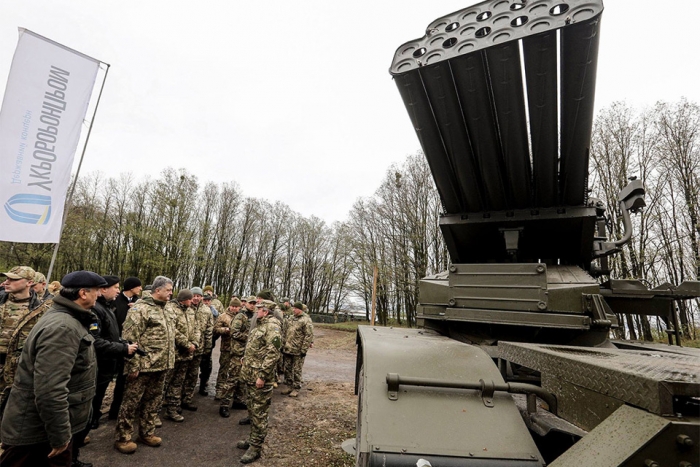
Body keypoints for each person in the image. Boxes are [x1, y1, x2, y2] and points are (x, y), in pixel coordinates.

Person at [0, 270, 105, 467]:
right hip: (39, 434)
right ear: (83, 293)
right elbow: (50, 390)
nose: (99, 295)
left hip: (43, 429)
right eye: (96, 291)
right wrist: (60, 436)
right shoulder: (62, 328)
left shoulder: (67, 319)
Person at [114, 276, 175, 454]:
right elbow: (129, 338)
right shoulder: (140, 309)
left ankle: (146, 433)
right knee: (131, 403)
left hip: (161, 364)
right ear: (157, 290)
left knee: (153, 402)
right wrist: (133, 365)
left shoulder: (167, 309)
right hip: (143, 366)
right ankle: (123, 438)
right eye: (168, 290)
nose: (171, 293)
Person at [88, 276, 138, 429]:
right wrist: (123, 349)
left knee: (100, 392)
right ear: (104, 289)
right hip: (98, 362)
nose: (118, 290)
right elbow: (94, 340)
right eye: (116, 287)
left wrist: (123, 343)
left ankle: (93, 419)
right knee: (94, 394)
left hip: (108, 361)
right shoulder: (96, 309)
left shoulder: (107, 307)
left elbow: (112, 335)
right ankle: (90, 422)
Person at [236, 300, 281, 464]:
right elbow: (257, 347)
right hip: (251, 375)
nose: (256, 310)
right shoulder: (260, 324)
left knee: (259, 413)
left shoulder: (272, 326)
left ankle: (256, 447)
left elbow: (273, 353)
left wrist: (262, 375)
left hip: (260, 378)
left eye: (259, 308)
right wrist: (246, 359)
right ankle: (252, 439)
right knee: (252, 410)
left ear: (266, 311)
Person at [0, 266, 52, 401]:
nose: (7, 282)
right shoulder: (1, 302)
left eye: (13, 279)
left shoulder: (40, 311)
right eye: (7, 278)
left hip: (19, 373)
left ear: (29, 282)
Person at [108, 276, 142, 420]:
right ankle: (112, 412)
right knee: (112, 380)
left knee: (127, 379)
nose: (140, 289)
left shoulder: (137, 302)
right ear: (132, 287)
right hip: (115, 345)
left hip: (131, 346)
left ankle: (122, 411)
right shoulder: (115, 301)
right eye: (138, 286)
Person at [163, 289, 198, 422]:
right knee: (165, 383)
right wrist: (186, 344)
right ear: (183, 299)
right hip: (174, 353)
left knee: (178, 383)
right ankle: (154, 413)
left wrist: (194, 343)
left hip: (186, 355)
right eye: (190, 299)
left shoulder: (190, 311)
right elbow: (173, 330)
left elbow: (196, 328)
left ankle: (172, 410)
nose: (192, 301)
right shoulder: (171, 309)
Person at [181, 287, 212, 408]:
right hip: (184, 347)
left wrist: (208, 347)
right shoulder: (185, 308)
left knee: (193, 374)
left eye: (198, 296)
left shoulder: (206, 310)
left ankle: (187, 399)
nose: (196, 298)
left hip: (199, 347)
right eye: (194, 295)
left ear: (202, 297)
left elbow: (209, 330)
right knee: (181, 374)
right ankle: (175, 399)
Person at [219, 298, 250, 417]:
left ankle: (238, 401)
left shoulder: (252, 316)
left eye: (254, 304)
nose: (252, 305)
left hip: (246, 353)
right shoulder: (240, 317)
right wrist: (248, 337)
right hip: (236, 352)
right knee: (232, 379)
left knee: (242, 379)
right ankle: (224, 404)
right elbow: (234, 333)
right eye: (250, 303)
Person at [281, 301, 314, 397]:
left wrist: (303, 350)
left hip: (298, 350)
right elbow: (284, 332)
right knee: (287, 369)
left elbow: (308, 335)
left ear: (300, 309)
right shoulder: (290, 318)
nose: (293, 310)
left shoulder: (305, 320)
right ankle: (289, 386)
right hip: (288, 348)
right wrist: (283, 345)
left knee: (297, 370)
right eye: (293, 308)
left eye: (295, 308)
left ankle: (296, 388)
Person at [213, 297, 239, 401]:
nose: (233, 308)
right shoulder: (223, 316)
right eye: (232, 306)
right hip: (226, 348)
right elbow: (215, 329)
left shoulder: (242, 317)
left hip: (238, 349)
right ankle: (219, 390)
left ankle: (232, 392)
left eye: (236, 307)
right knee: (223, 369)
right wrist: (225, 330)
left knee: (235, 371)